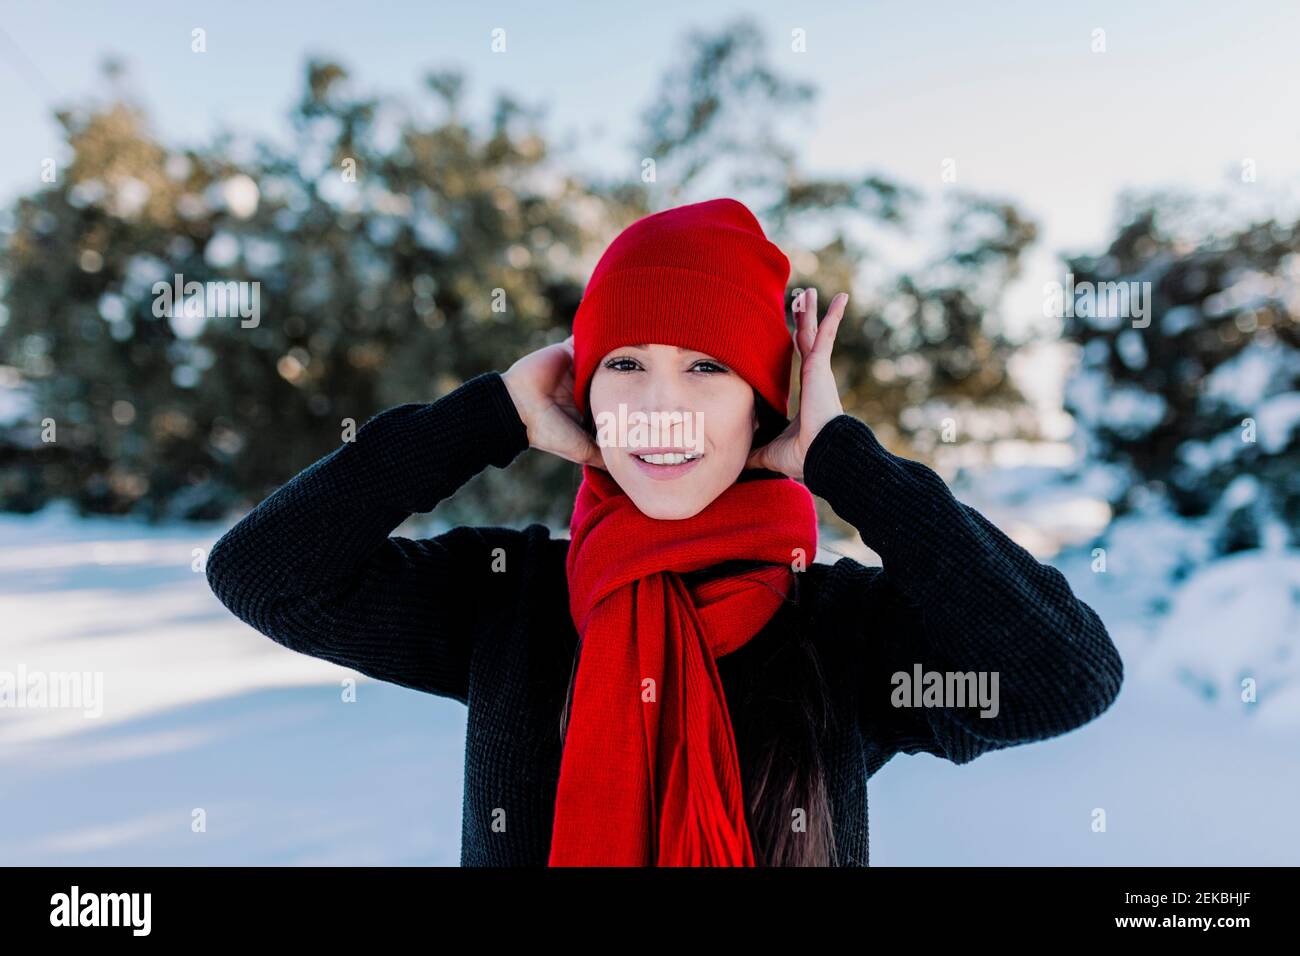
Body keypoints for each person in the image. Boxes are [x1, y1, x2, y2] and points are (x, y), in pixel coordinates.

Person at [205, 197, 1124, 867]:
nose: (657, 407)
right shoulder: (512, 598)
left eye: (707, 368)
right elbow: (265, 574)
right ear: (582, 389)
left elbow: (1066, 676)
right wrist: (483, 418)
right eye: (627, 362)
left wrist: (849, 463)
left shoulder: (839, 629)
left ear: (767, 404)